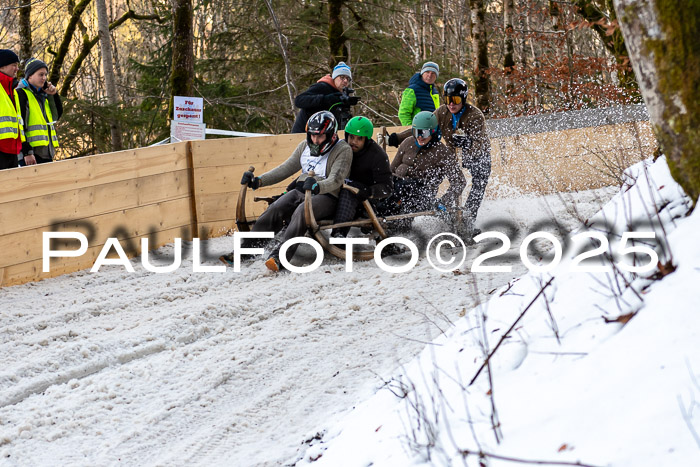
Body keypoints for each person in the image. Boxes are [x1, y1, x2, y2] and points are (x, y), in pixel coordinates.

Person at [222, 110, 352, 272]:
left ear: (331, 135)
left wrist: (318, 186)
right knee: (275, 208)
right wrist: (259, 181)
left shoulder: (342, 150)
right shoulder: (304, 146)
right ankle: (246, 251)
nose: (315, 140)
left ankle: (280, 256)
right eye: (312, 135)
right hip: (301, 190)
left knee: (300, 212)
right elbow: (285, 168)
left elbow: (336, 179)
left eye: (319, 137)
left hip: (327, 196)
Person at [387, 78, 490, 237]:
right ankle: (454, 217)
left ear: (463, 98)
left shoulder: (475, 115)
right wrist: (398, 138)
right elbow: (422, 127)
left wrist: (469, 143)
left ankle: (468, 220)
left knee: (479, 180)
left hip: (477, 152)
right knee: (452, 171)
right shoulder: (442, 112)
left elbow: (480, 142)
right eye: (448, 99)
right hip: (453, 149)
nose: (451, 104)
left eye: (455, 100)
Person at [378, 111, 466, 231]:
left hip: (422, 195)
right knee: (385, 181)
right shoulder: (407, 143)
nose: (419, 136)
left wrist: (444, 201)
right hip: (398, 190)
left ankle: (384, 216)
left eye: (424, 133)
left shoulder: (441, 152)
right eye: (416, 132)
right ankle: (375, 213)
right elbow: (391, 171)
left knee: (404, 186)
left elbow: (459, 181)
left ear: (433, 132)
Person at [330, 116, 393, 238]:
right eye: (351, 137)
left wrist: (369, 191)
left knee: (348, 191)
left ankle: (339, 234)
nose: (353, 142)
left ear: (367, 140)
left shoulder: (378, 155)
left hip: (365, 199)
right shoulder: (340, 148)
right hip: (338, 193)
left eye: (359, 139)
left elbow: (387, 187)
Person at [15, 58, 63, 166]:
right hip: (29, 156)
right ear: (30, 75)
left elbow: (56, 116)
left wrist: (53, 95)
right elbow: (18, 126)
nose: (44, 78)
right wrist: (27, 152)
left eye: (45, 75)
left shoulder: (42, 95)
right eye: (41, 75)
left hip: (45, 153)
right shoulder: (21, 94)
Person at [291, 61, 359, 133]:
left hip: (323, 135)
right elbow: (299, 100)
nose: (345, 81)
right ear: (334, 77)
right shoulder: (322, 87)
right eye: (342, 77)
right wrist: (325, 99)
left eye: (348, 79)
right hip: (303, 133)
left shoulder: (341, 95)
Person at [396, 61, 440, 127]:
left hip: (432, 131)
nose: (430, 75)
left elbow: (437, 113)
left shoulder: (435, 92)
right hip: (417, 131)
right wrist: (411, 129)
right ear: (422, 73)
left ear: (436, 76)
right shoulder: (412, 90)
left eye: (433, 73)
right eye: (427, 72)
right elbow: (403, 113)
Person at [0, 49, 23, 170]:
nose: (17, 69)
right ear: (2, 66)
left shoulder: (13, 89)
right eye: (14, 65)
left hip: (13, 150)